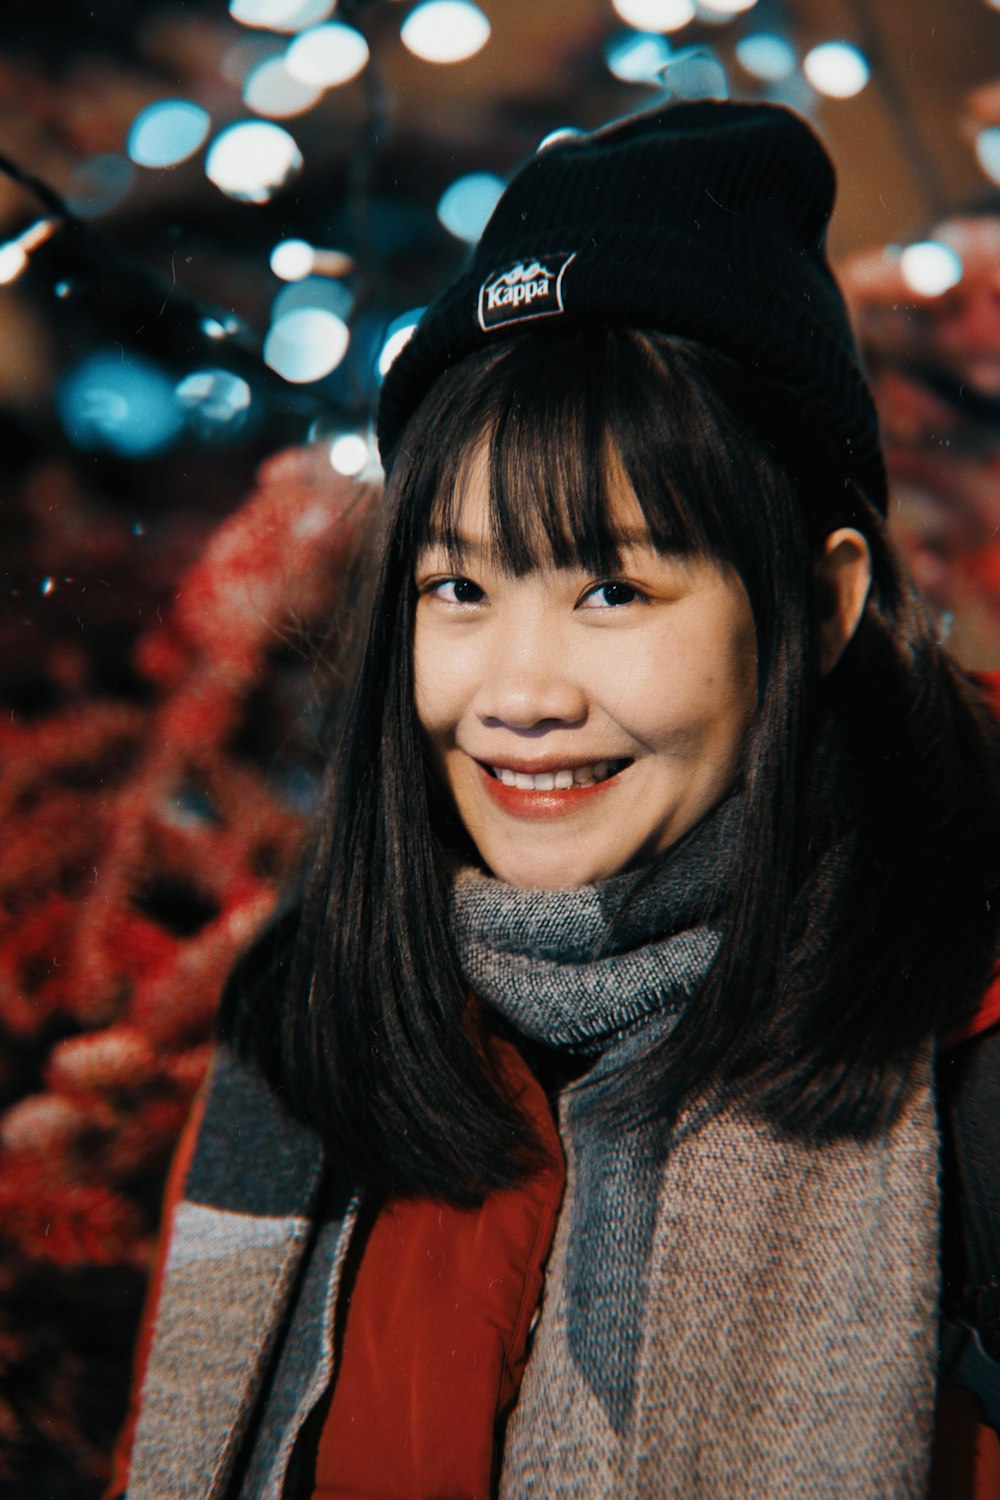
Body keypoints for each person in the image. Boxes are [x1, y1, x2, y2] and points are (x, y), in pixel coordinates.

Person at [109, 99, 1000, 1499]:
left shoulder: (968, 1049)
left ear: (821, 603)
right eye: (457, 587)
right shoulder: (315, 1022)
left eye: (612, 588)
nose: (516, 692)